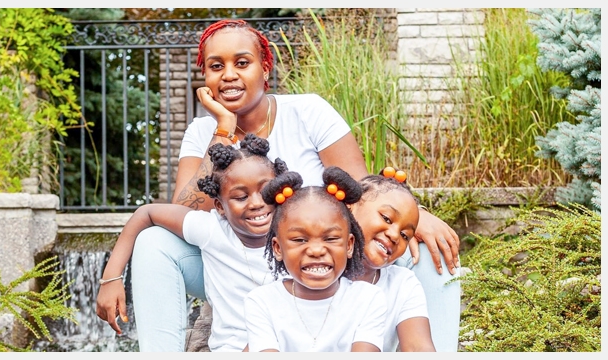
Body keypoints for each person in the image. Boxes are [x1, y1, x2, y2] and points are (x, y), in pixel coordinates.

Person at [128, 18, 461, 352]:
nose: (229, 74)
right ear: (206, 78)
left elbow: (359, 189)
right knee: (154, 241)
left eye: (242, 63)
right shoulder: (201, 132)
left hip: (318, 260)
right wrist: (223, 131)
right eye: (217, 66)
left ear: (265, 69)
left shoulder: (308, 111)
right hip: (237, 268)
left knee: (436, 255)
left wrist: (415, 214)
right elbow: (185, 213)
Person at [97, 134, 284, 351]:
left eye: (265, 191)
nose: (257, 203)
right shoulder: (212, 229)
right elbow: (146, 213)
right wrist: (111, 278)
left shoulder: (295, 232)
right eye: (241, 197)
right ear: (220, 207)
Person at [244, 167, 387, 352]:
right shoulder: (261, 303)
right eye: (300, 240)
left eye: (331, 238)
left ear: (349, 245)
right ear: (277, 248)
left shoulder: (368, 299)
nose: (317, 250)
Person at [350, 167, 437, 351]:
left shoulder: (402, 285)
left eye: (406, 235)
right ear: (351, 206)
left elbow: (418, 348)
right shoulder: (313, 271)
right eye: (387, 219)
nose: (395, 236)